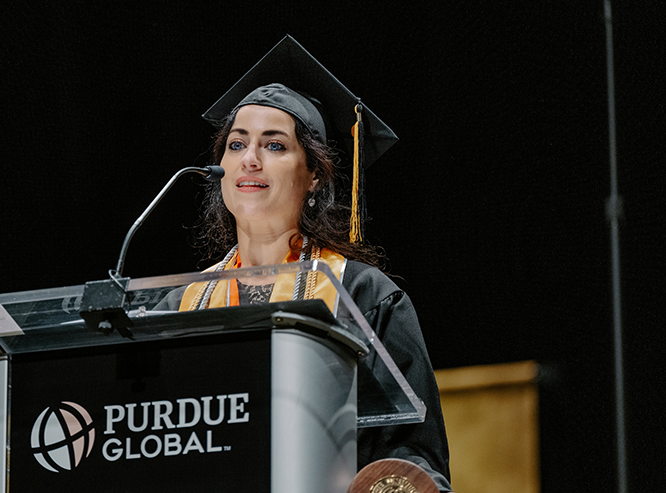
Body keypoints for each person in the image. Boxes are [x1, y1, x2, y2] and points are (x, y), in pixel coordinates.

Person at [159, 36, 452, 492]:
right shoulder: (179, 306)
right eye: (236, 145)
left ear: (314, 173)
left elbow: (411, 454)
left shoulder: (363, 296)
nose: (250, 160)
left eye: (274, 146)